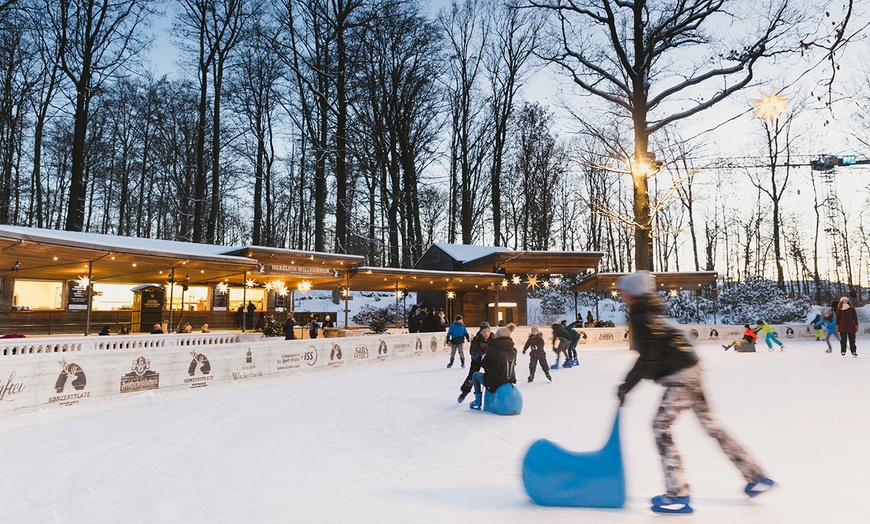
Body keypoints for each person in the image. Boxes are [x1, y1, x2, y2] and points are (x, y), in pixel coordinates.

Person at [615, 271, 774, 514]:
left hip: (681, 378)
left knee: (660, 428)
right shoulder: (650, 313)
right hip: (692, 371)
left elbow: (647, 359)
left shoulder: (643, 318)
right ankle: (756, 476)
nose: (621, 296)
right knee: (711, 426)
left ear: (634, 294)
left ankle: (677, 493)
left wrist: (627, 386)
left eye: (624, 291)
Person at [469, 326, 517, 410]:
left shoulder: (493, 349)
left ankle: (478, 401)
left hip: (494, 381)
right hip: (509, 380)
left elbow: (485, 364)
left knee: (475, 375)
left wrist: (483, 358)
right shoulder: (513, 350)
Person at [458, 322, 493, 403]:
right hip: (477, 359)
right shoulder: (476, 338)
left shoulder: (493, 338)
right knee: (471, 376)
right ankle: (464, 392)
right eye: (484, 331)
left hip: (489, 360)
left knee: (492, 375)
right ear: (480, 332)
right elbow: (472, 350)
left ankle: (492, 393)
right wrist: (476, 355)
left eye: (488, 331)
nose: (486, 333)